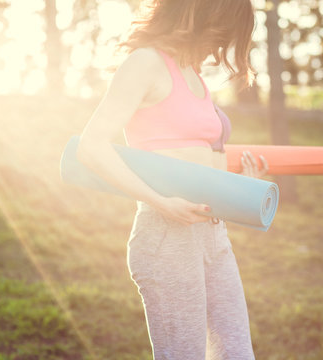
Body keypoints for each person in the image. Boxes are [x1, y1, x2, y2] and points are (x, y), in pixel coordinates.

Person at [77, 0, 267, 358]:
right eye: (223, 31)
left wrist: (242, 186)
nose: (223, 44)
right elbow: (91, 146)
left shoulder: (193, 74)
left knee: (237, 354)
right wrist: (160, 202)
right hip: (167, 234)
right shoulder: (146, 62)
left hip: (212, 233)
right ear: (202, 14)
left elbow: (195, 159)